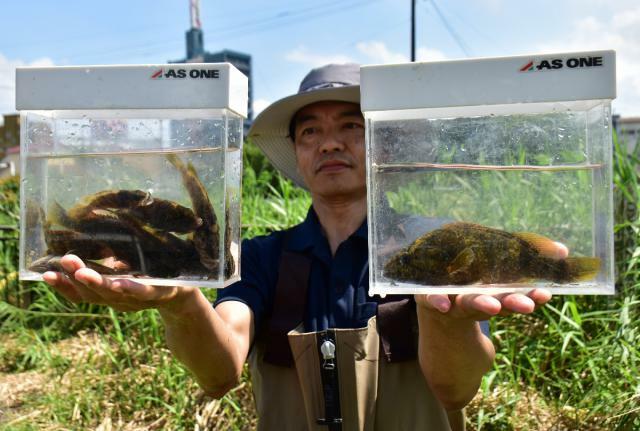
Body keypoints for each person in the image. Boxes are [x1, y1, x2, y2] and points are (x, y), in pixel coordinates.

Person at [43, 63, 559, 431]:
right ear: (297, 152)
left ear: (380, 143)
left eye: (350, 126)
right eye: (310, 130)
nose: (330, 142)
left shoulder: (437, 246)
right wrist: (181, 303)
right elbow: (220, 372)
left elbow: (455, 390)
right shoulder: (261, 258)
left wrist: (445, 319)